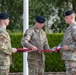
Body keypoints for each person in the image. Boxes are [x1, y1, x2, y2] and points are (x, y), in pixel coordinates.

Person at [59, 10, 76, 75]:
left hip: (73, 60)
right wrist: (56, 48)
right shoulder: (69, 29)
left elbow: (67, 46)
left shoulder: (74, 28)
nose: (64, 19)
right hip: (69, 59)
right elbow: (64, 43)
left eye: (66, 17)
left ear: (71, 17)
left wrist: (69, 47)